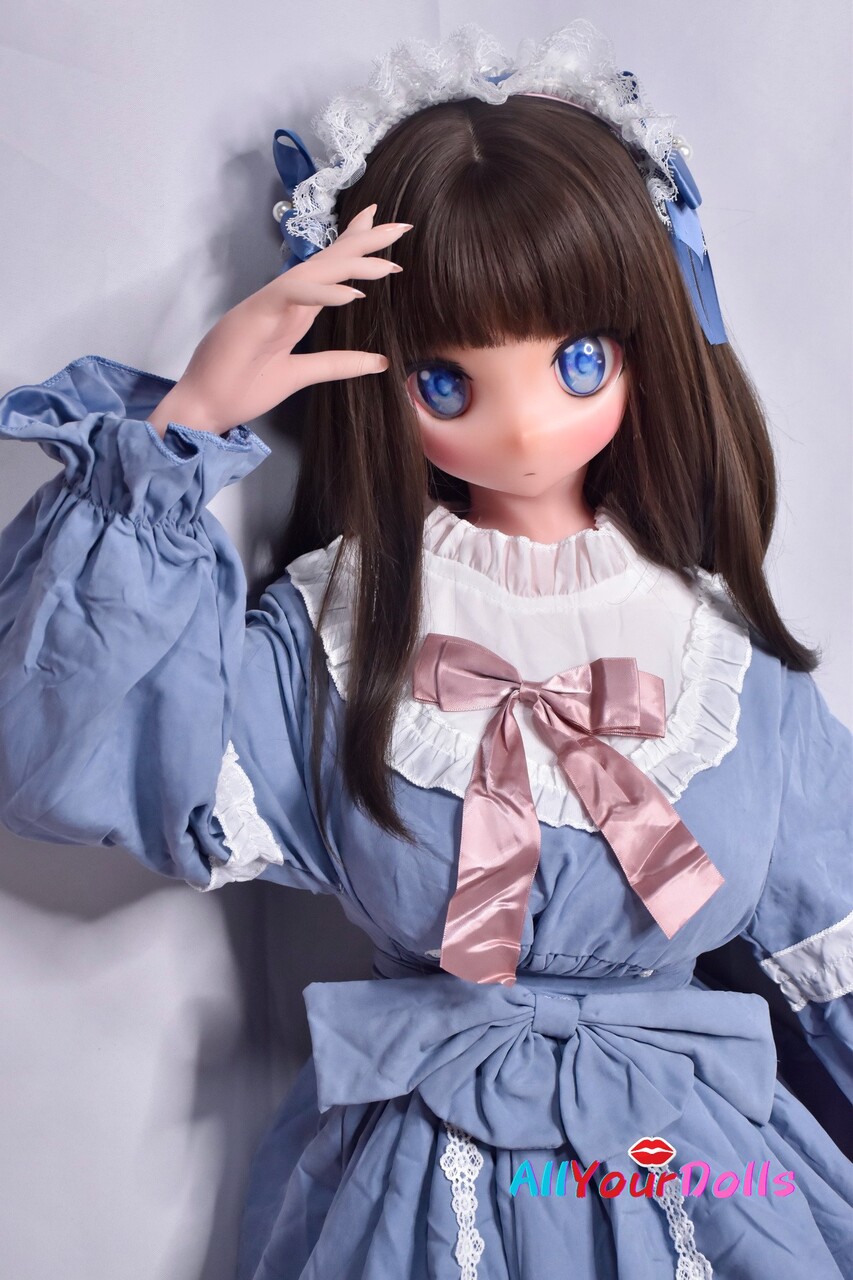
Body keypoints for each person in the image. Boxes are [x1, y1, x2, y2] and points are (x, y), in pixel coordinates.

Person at [0, 23, 851, 1280]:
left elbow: (834, 936)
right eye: (445, 381)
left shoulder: (722, 660)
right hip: (424, 1189)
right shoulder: (337, 635)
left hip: (704, 1178)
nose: (523, 425)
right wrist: (179, 435)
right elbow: (64, 751)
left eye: (575, 360)